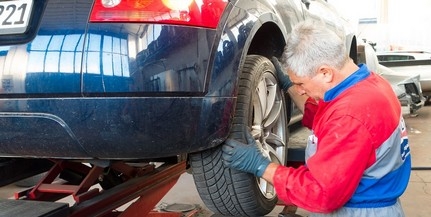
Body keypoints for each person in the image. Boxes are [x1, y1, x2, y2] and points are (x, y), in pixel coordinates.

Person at [222, 20, 411, 216]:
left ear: (325, 72)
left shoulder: (351, 115)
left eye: (301, 83)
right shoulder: (370, 84)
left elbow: (321, 193)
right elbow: (326, 118)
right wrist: (290, 86)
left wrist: (261, 166)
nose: (301, 91)